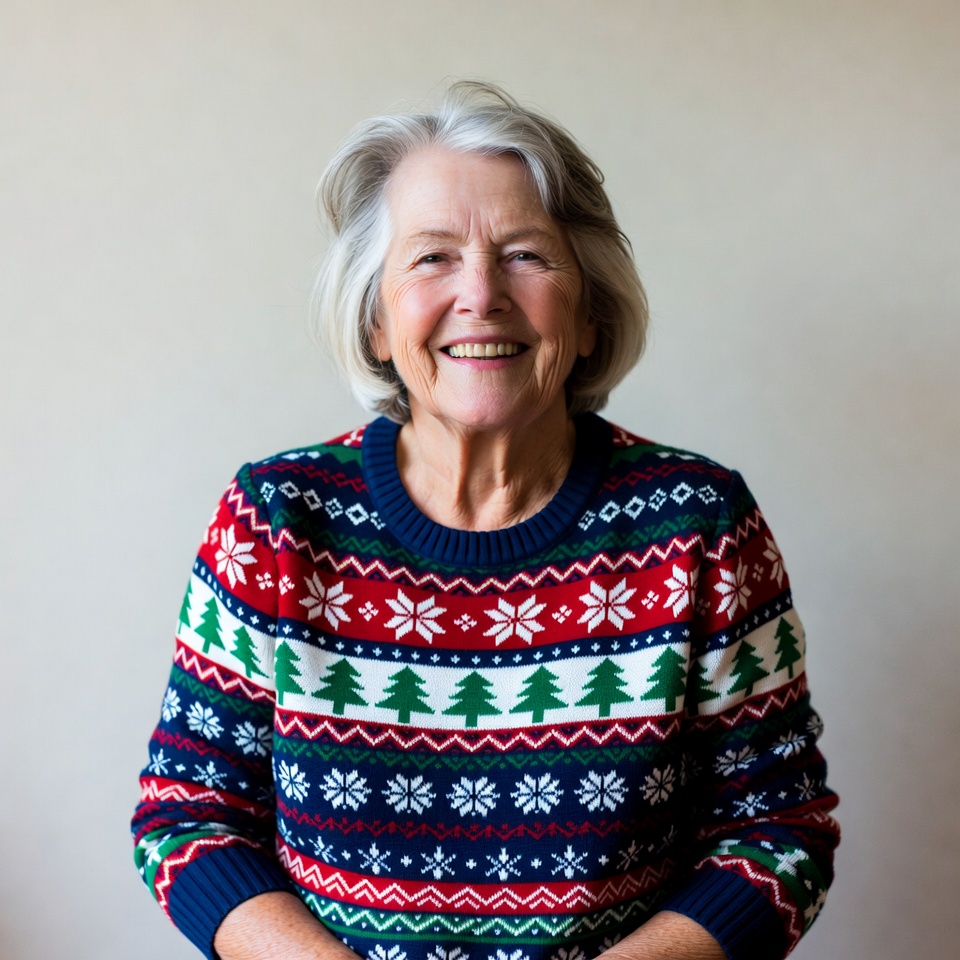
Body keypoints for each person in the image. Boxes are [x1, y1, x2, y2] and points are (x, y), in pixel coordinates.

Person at [132, 81, 839, 960]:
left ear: (587, 315)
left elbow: (778, 829)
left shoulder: (697, 524)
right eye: (431, 258)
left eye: (525, 256)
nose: (482, 295)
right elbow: (187, 814)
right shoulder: (277, 521)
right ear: (377, 321)